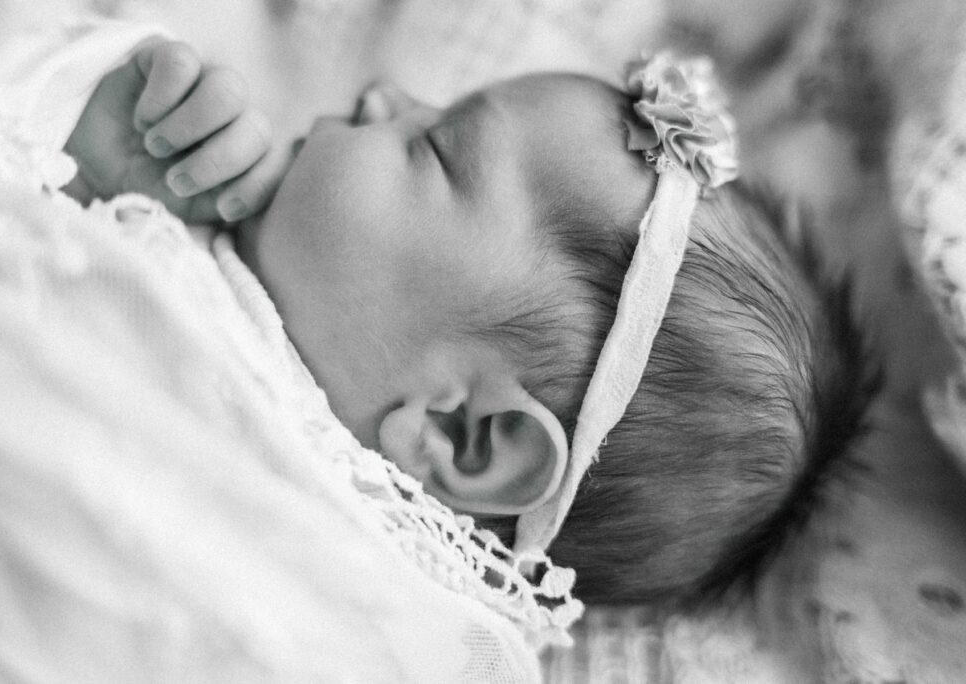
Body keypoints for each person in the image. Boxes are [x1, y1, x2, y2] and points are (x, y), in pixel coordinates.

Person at [64, 37, 875, 605]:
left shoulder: (305, 597)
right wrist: (85, 142)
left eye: (435, 148)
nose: (384, 93)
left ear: (464, 434)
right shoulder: (195, 229)